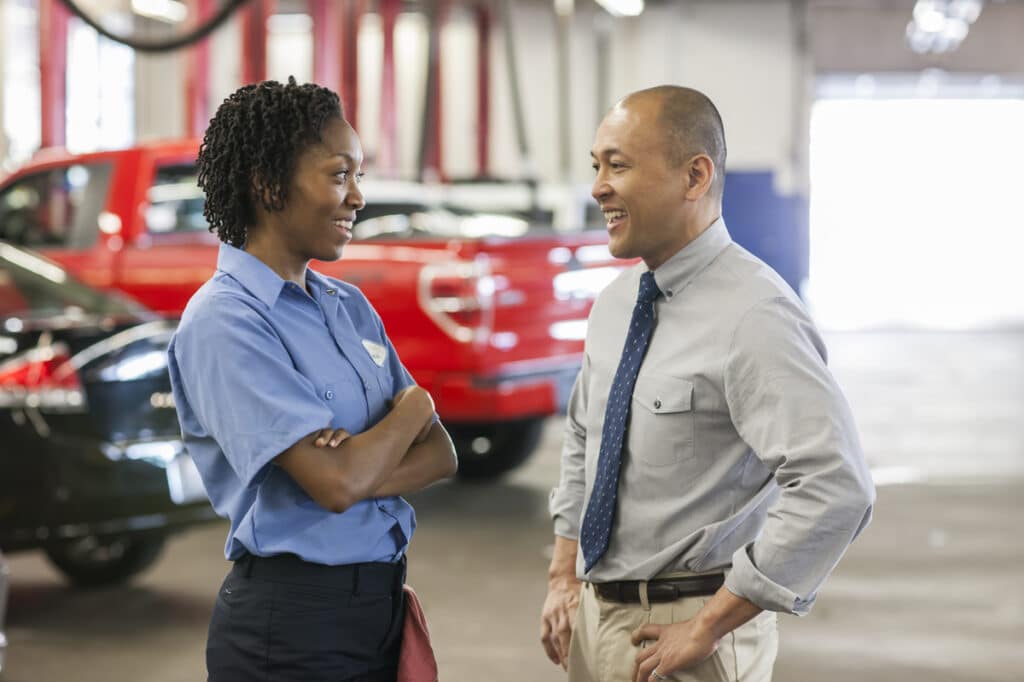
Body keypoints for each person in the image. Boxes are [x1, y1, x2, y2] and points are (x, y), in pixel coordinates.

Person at [540, 85, 875, 682]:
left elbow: (836, 484)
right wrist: (564, 575)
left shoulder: (755, 313)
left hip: (693, 635)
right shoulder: (616, 305)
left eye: (618, 165)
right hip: (596, 621)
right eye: (596, 166)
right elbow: (583, 440)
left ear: (695, 176)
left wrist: (712, 623)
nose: (597, 187)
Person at [168, 77, 457, 681]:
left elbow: (441, 455)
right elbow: (337, 481)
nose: (358, 197)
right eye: (337, 174)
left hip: (378, 607)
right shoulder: (226, 320)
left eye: (358, 175)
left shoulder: (347, 306)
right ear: (267, 184)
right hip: (292, 627)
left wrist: (356, 469)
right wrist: (412, 409)